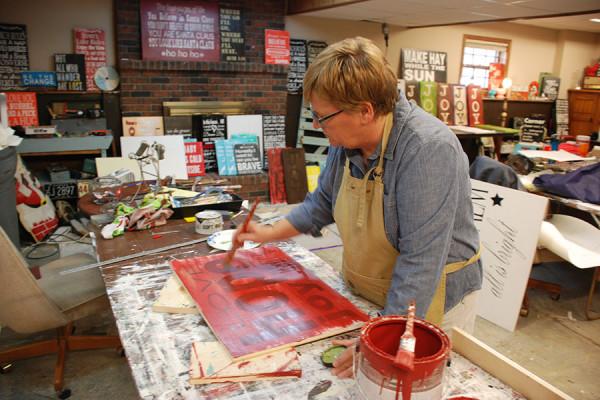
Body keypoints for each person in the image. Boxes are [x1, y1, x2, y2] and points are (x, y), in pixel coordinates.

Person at [235, 37, 482, 378]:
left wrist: (383, 336)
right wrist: (266, 232)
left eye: (324, 118)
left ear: (365, 110)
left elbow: (420, 263)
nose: (320, 127)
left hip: (428, 303)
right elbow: (322, 203)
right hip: (372, 292)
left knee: (407, 385)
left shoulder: (427, 149)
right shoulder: (349, 139)